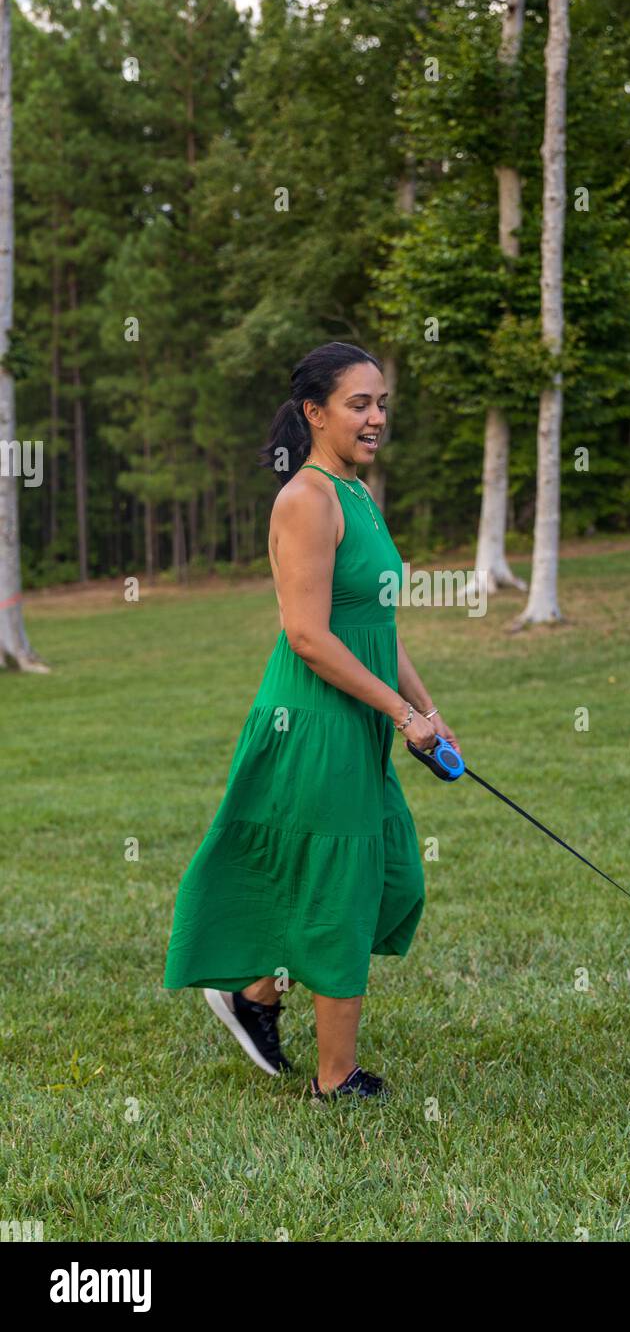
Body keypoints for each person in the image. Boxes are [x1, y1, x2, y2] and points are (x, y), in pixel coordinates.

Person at [162, 341, 461, 1102]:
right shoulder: (306, 499)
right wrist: (399, 711)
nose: (375, 417)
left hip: (356, 717)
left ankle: (256, 993)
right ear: (314, 412)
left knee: (387, 876)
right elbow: (308, 635)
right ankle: (337, 1077)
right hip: (313, 719)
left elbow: (376, 628)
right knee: (343, 881)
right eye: (359, 404)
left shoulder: (357, 495)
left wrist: (427, 710)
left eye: (382, 403)